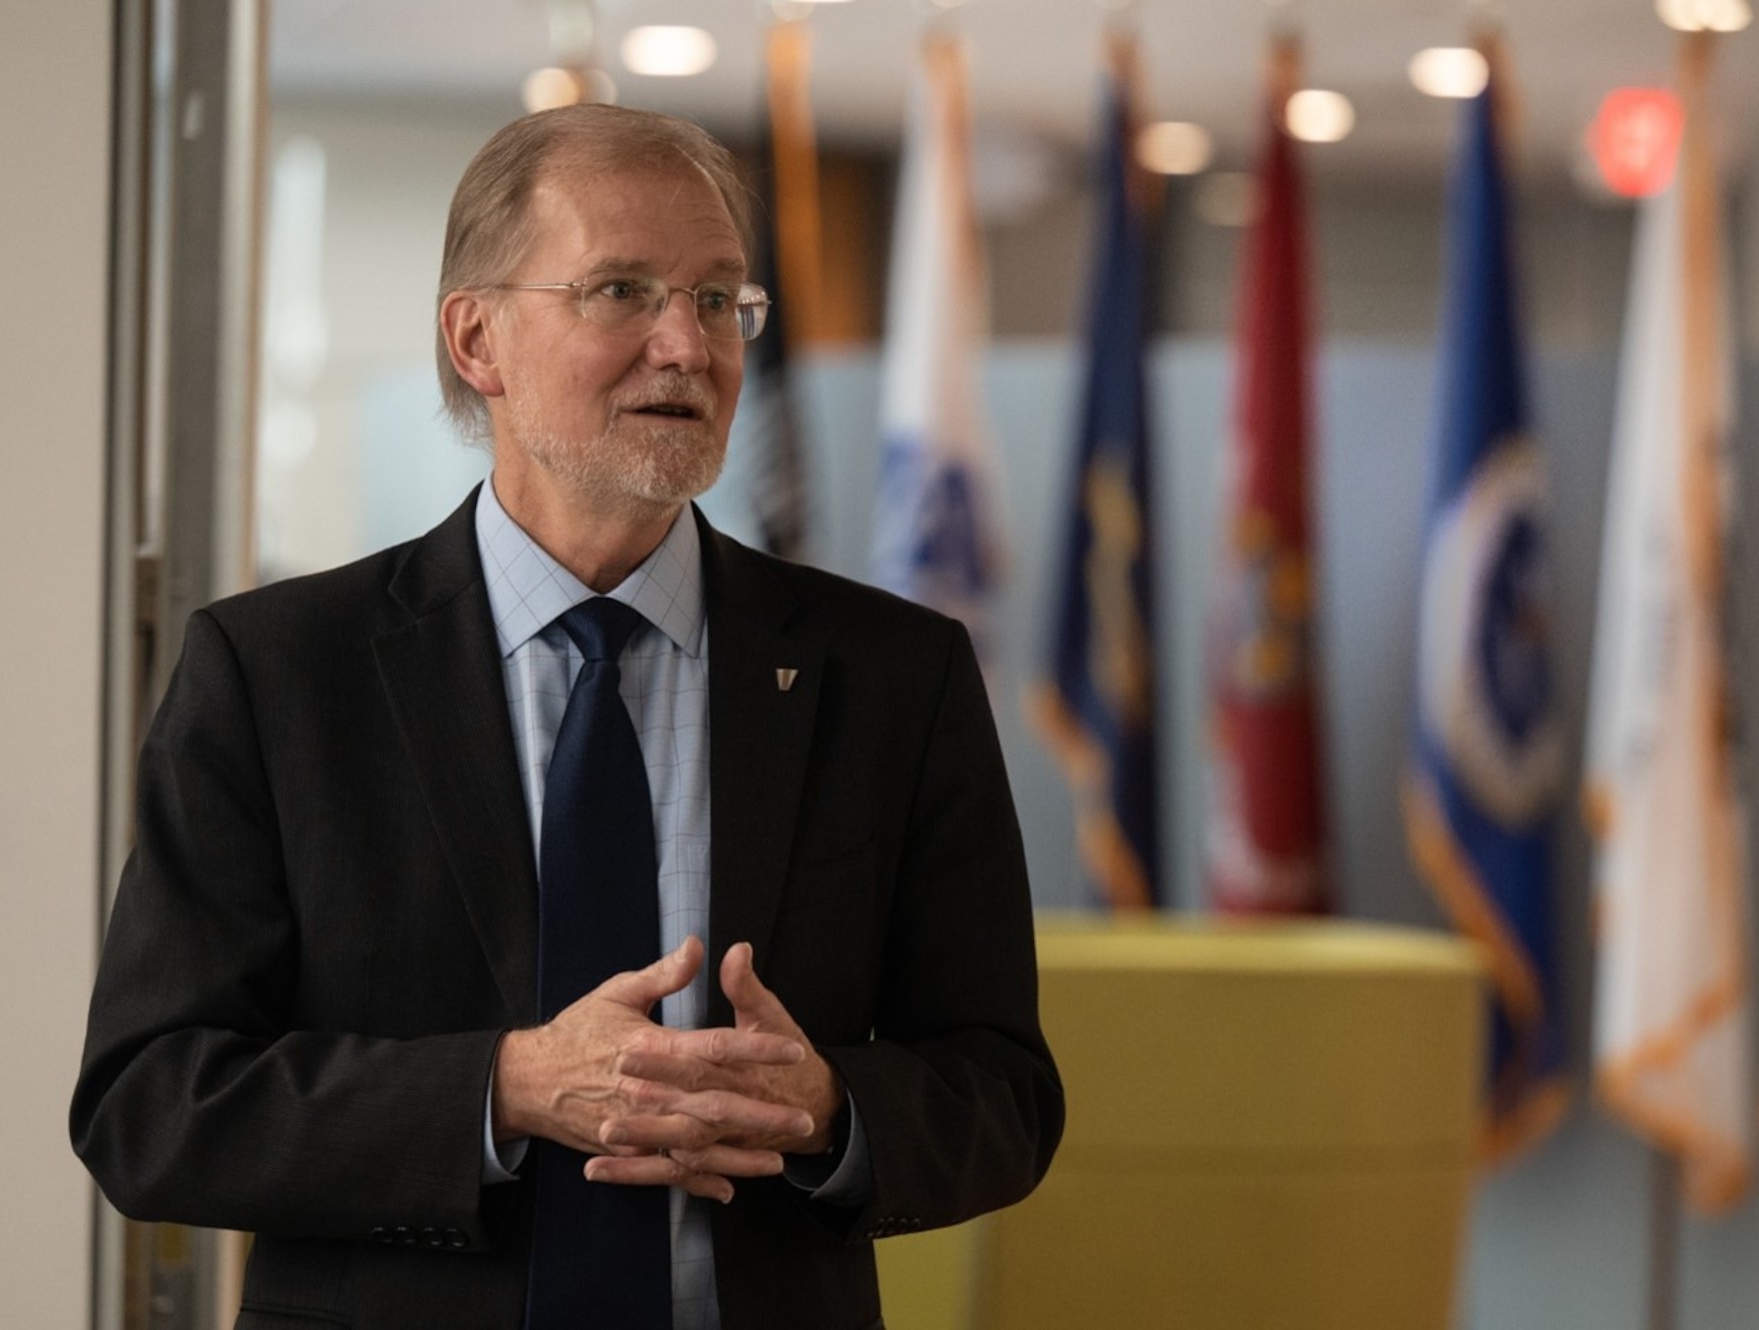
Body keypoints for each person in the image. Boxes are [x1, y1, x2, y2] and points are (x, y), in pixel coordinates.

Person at [71, 104, 1063, 1330]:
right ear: (477, 335)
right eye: (621, 290)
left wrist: (825, 1109)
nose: (685, 345)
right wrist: (503, 1087)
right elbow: (151, 1104)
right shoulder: (278, 674)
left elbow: (1004, 1094)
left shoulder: (893, 675)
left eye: (717, 299)